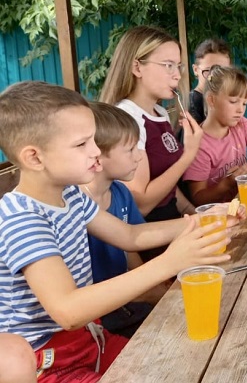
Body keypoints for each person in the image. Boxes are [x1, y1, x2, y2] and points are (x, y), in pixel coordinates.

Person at [0, 81, 235, 382]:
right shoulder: (22, 218)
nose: (96, 151)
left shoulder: (69, 195)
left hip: (90, 342)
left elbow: (129, 236)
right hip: (47, 364)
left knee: (183, 364)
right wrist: (169, 263)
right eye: (82, 144)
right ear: (34, 157)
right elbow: (67, 310)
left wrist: (204, 221)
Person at [99, 26, 203, 226]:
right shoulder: (127, 118)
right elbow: (143, 205)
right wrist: (189, 154)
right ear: (137, 67)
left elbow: (168, 187)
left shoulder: (159, 113)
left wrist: (195, 213)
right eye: (168, 65)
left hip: (172, 224)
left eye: (178, 66)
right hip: (147, 236)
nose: (177, 75)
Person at [83, 102, 165, 337]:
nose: (140, 156)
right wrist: (149, 291)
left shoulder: (120, 192)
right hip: (101, 315)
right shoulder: (77, 204)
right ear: (97, 156)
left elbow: (130, 246)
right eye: (130, 149)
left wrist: (151, 287)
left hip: (130, 302)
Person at [184, 66, 247, 205]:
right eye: (233, 102)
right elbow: (198, 198)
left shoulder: (240, 125)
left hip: (244, 203)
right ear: (211, 100)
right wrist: (226, 184)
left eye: (244, 104)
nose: (240, 110)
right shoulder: (200, 145)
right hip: (220, 216)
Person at [189, 38, 231, 124]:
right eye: (208, 70)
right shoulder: (193, 104)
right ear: (195, 70)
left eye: (223, 71)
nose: (216, 77)